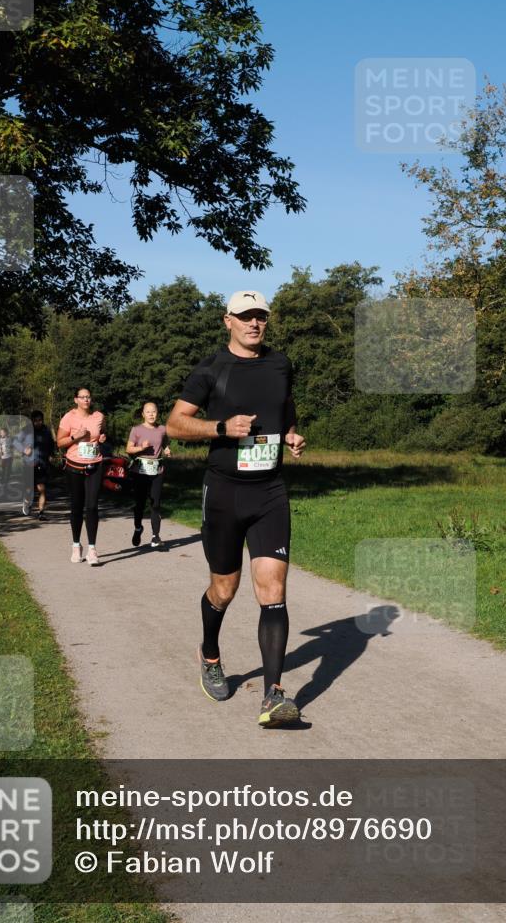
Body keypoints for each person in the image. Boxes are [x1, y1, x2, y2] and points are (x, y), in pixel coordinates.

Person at [167, 290, 306, 727]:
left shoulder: (280, 364)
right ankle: (210, 655)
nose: (254, 323)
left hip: (270, 492)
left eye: (260, 316)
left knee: (273, 589)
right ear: (227, 320)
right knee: (224, 589)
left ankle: (273, 696)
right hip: (224, 493)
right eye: (245, 316)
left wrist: (290, 433)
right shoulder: (211, 368)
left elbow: (284, 405)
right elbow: (175, 424)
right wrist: (221, 428)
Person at [56, 389, 106, 565]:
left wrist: (102, 438)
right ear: (76, 399)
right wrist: (75, 436)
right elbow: (60, 442)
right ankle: (76, 545)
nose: (86, 399)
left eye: (88, 397)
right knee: (76, 507)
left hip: (95, 466)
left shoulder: (98, 416)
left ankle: (92, 549)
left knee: (92, 507)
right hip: (74, 467)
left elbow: (102, 433)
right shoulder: (69, 417)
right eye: (82, 397)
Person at [126, 401, 172, 549]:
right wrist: (141, 447)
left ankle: (155, 536)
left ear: (157, 413)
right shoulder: (136, 430)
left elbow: (165, 443)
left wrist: (167, 450)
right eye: (148, 412)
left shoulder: (162, 429)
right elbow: (129, 449)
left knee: (156, 504)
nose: (151, 414)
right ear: (143, 414)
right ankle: (138, 528)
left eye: (154, 411)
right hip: (140, 471)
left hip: (157, 471)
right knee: (139, 504)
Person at [14, 411, 55, 518]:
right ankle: (27, 502)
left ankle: (41, 512)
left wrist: (51, 454)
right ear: (32, 421)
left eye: (40, 420)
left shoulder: (46, 431)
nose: (38, 422)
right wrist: (24, 450)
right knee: (29, 489)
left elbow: (51, 444)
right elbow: (15, 442)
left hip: (42, 464)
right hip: (29, 464)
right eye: (35, 420)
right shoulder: (26, 430)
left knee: (42, 489)